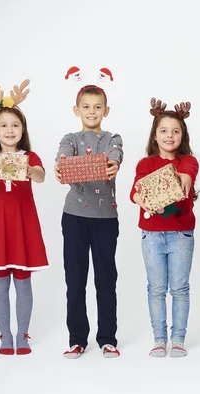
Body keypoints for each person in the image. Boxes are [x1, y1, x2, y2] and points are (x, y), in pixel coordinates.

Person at [0, 79, 48, 355]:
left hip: (23, 225)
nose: (9, 130)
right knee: (0, 281)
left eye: (15, 125)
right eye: (3, 125)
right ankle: (5, 334)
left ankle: (23, 334)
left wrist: (29, 170)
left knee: (23, 281)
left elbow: (41, 176)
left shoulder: (29, 156)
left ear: (23, 130)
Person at [54, 84, 124, 359]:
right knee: (75, 280)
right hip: (73, 218)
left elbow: (115, 156)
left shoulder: (111, 138)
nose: (92, 111)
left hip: (106, 218)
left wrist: (112, 164)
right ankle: (77, 339)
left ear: (106, 110)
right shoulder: (70, 138)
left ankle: (107, 338)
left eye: (97, 107)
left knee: (106, 280)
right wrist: (62, 165)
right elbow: (63, 156)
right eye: (86, 106)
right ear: (76, 110)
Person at [131, 98, 199, 358]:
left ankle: (178, 338)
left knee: (180, 288)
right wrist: (144, 198)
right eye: (164, 131)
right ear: (155, 135)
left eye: (175, 131)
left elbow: (187, 174)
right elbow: (134, 192)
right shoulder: (145, 164)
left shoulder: (187, 161)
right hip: (151, 234)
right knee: (156, 288)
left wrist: (182, 180)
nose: (170, 136)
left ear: (183, 135)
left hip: (181, 234)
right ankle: (160, 339)